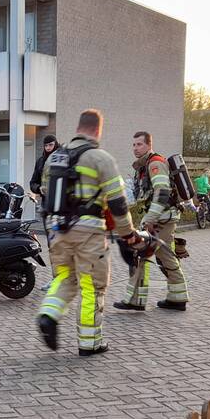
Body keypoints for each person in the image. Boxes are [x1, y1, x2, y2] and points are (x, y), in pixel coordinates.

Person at [36, 109, 139, 357]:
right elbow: (117, 204)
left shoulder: (55, 158)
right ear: (97, 130)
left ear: (78, 127)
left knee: (63, 278)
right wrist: (128, 234)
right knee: (91, 286)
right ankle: (90, 342)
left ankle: (48, 314)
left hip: (57, 230)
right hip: (89, 233)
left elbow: (45, 194)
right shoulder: (100, 158)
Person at [115, 131, 188, 311]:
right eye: (133, 145)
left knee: (153, 254)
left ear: (149, 145)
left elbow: (162, 192)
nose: (135, 148)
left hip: (161, 220)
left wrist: (149, 219)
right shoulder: (142, 166)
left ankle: (171, 298)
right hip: (157, 219)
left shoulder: (155, 163)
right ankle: (166, 298)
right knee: (150, 256)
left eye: (139, 144)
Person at [30, 135, 60, 291]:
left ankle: (67, 280)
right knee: (52, 245)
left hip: (62, 209)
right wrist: (39, 189)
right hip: (48, 207)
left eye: (51, 145)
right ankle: (56, 279)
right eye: (46, 145)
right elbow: (33, 182)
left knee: (63, 245)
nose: (48, 148)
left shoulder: (62, 160)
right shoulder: (41, 161)